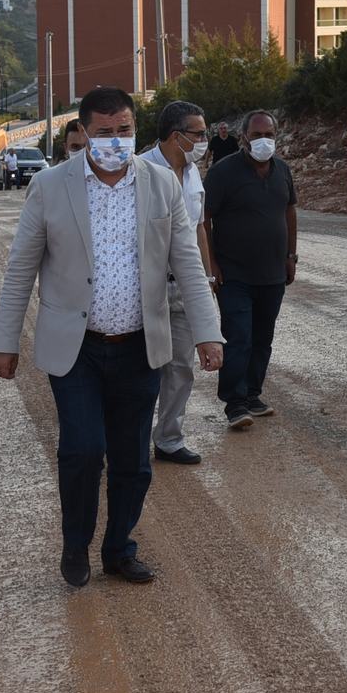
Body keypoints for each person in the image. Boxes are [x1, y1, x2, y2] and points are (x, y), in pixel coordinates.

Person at [0, 85, 222, 589]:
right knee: (80, 450)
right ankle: (76, 544)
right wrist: (4, 342)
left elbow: (187, 261)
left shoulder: (161, 184)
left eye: (124, 131)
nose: (116, 141)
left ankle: (119, 548)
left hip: (139, 347)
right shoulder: (51, 187)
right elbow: (20, 270)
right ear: (83, 132)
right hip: (77, 350)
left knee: (132, 460)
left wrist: (209, 333)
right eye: (104, 132)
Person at [201, 109, 296, 432]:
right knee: (238, 337)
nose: (264, 141)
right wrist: (212, 264)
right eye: (257, 136)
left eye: (269, 135)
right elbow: (205, 219)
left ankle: (253, 394)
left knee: (262, 338)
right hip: (234, 274)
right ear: (243, 138)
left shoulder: (282, 170)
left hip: (272, 273)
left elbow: (289, 210)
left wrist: (291, 256)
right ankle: (235, 402)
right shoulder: (223, 173)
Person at [139, 99, 209, 467]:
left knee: (181, 365)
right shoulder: (140, 171)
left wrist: (207, 279)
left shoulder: (193, 172)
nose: (204, 140)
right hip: (145, 288)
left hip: (182, 286)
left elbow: (198, 228)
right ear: (176, 136)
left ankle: (168, 438)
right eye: (198, 133)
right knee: (142, 367)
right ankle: (127, 437)